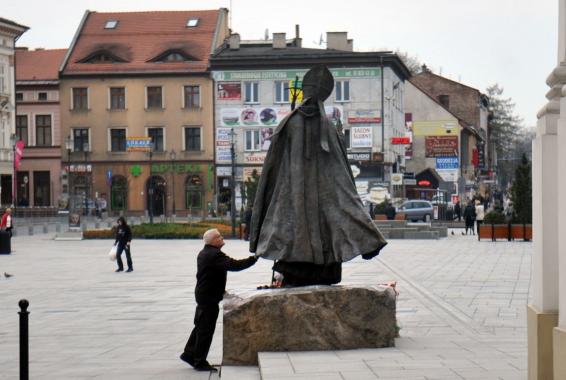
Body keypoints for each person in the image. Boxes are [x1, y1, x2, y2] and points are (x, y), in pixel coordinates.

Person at [248, 65, 387, 286]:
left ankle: (367, 243)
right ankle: (368, 243)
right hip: (307, 191)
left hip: (295, 191)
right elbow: (342, 174)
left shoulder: (292, 123)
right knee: (339, 206)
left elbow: (272, 168)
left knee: (303, 221)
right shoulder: (325, 127)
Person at [180, 228, 258, 372]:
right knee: (206, 330)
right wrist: (254, 259)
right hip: (208, 297)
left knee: (200, 326)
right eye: (219, 237)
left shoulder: (206, 252)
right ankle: (199, 361)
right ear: (213, 241)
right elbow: (235, 265)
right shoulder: (214, 255)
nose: (222, 238)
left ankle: (189, 354)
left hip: (204, 295)